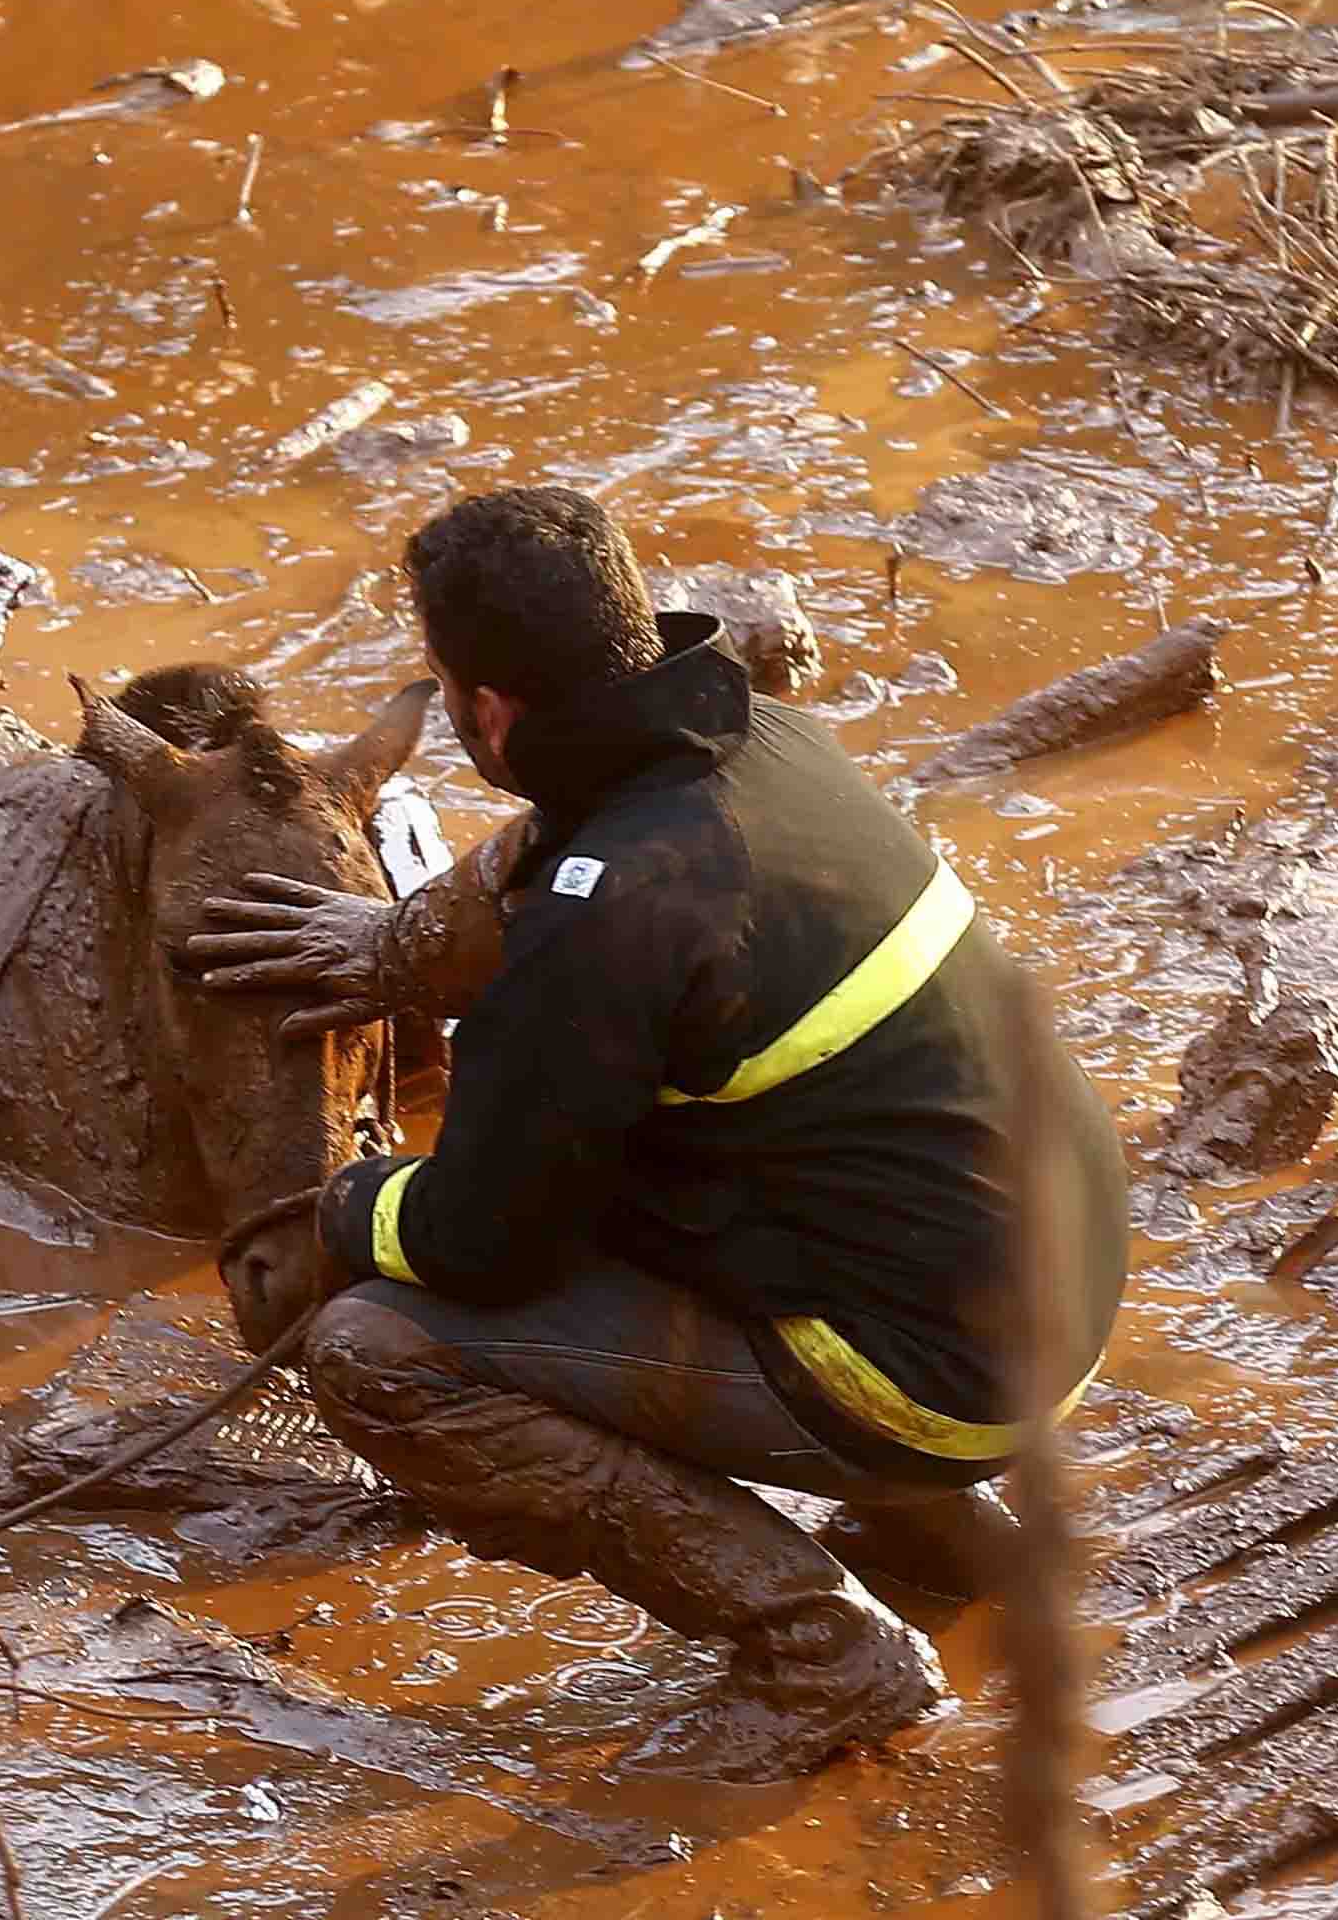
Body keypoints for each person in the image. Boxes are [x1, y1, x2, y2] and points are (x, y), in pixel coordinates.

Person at [180, 487, 1128, 1782]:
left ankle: (819, 1648)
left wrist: (347, 1207)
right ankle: (950, 1540)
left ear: (485, 710)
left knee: (379, 1348)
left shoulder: (607, 916)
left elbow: (480, 1243)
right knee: (732, 1159)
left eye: (444, 686)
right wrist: (395, 947)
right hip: (1053, 1288)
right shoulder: (762, 743)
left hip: (928, 1376)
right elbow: (538, 861)